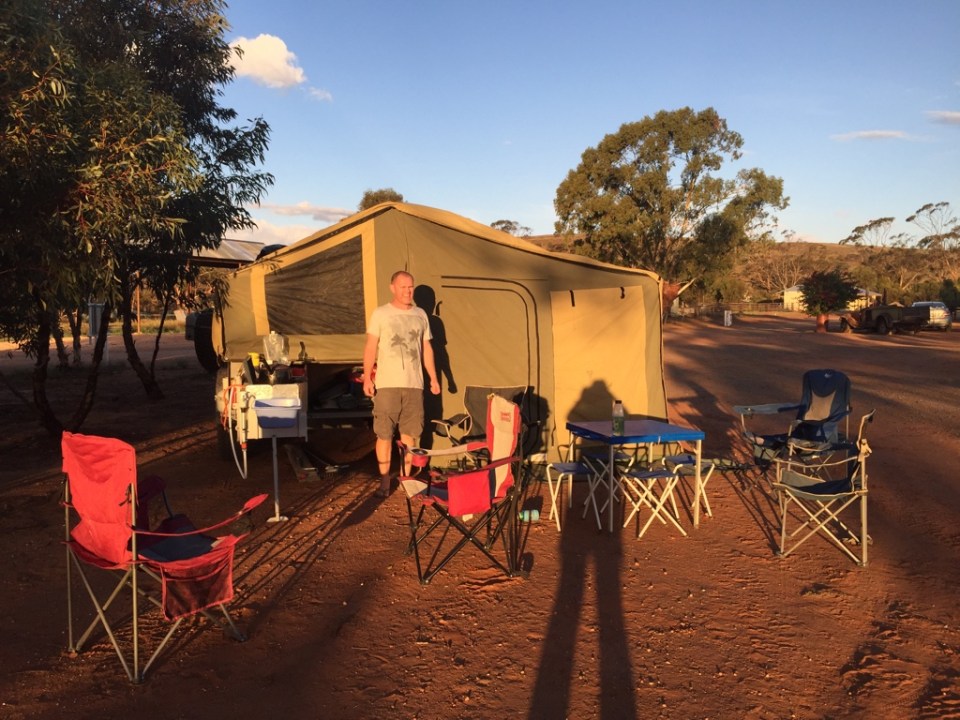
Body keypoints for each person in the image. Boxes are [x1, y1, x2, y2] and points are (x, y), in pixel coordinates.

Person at [362, 270, 441, 497]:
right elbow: (370, 347)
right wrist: (368, 376)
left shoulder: (420, 315)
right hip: (387, 384)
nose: (408, 291)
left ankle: (406, 479)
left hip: (414, 384)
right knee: (384, 434)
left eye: (411, 287)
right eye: (403, 287)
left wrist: (433, 378)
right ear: (393, 288)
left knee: (410, 435)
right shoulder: (381, 314)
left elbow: (427, 348)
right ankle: (385, 481)